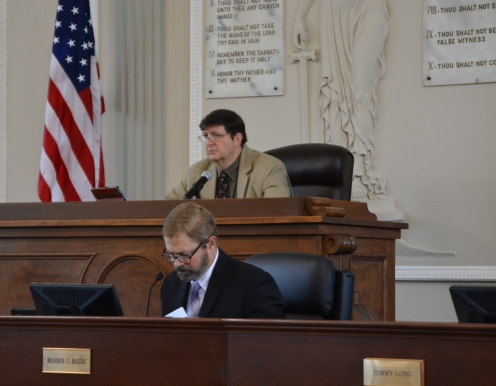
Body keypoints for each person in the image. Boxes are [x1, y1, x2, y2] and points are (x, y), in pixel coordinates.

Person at [293, 0, 389, 199]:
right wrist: (300, 17)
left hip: (368, 7)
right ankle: (344, 174)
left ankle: (360, 169)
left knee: (361, 92)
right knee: (336, 93)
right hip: (334, 9)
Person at [160, 202, 285, 319]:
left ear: (211, 244)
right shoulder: (171, 284)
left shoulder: (253, 284)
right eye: (172, 255)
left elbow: (273, 340)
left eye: (185, 255)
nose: (177, 264)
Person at [163, 109, 292, 200]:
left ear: (237, 139)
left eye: (216, 136)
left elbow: (278, 213)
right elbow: (167, 207)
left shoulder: (269, 168)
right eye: (206, 136)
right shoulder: (197, 171)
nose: (209, 143)